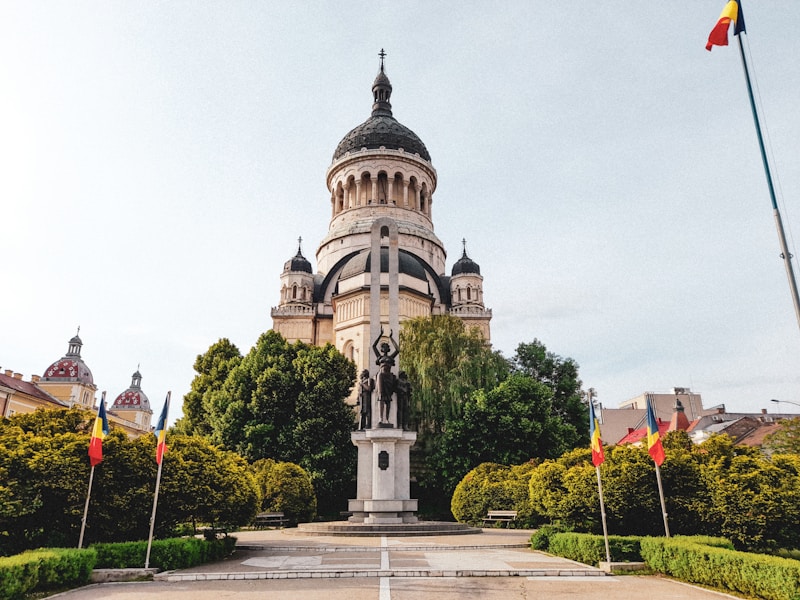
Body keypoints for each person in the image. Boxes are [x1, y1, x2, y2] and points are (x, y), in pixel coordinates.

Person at [373, 328, 399, 425]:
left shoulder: (391, 358)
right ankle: (380, 418)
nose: (384, 348)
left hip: (389, 377)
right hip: (381, 376)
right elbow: (373, 346)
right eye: (383, 347)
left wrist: (391, 338)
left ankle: (387, 419)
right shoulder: (379, 357)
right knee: (381, 397)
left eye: (386, 346)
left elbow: (398, 349)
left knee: (388, 398)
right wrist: (380, 335)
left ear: (388, 349)